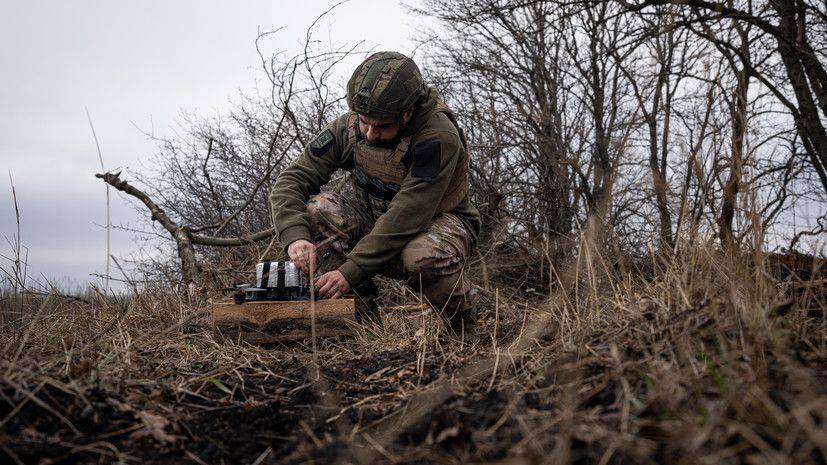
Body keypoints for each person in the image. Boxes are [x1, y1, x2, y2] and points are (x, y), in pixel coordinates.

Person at [269, 51, 480, 332]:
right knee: (319, 211)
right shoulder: (349, 126)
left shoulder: (437, 137)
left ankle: (464, 327)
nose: (369, 134)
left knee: (422, 255)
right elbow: (292, 179)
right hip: (374, 215)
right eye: (363, 122)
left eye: (381, 126)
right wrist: (294, 238)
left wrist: (350, 271)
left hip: (439, 223)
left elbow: (407, 215)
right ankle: (360, 328)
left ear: (407, 113)